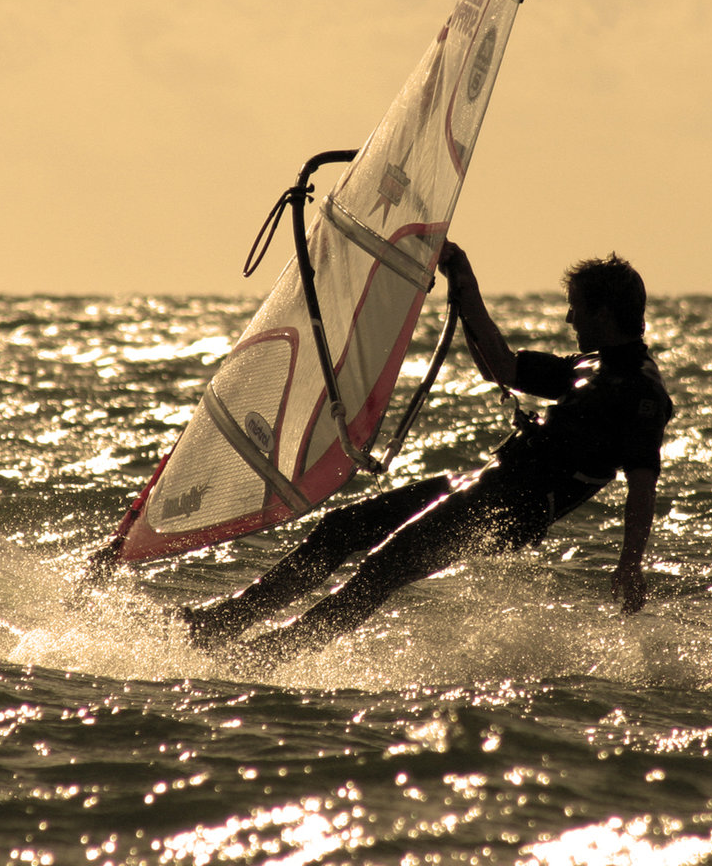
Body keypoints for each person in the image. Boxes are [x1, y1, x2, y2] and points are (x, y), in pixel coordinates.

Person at [179, 241, 673, 666]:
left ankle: (272, 655)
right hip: (484, 486)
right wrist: (464, 278)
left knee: (382, 568)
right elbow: (500, 365)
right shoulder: (590, 365)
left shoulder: (639, 393)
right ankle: (225, 622)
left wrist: (631, 563)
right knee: (342, 528)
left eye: (577, 309)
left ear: (604, 314)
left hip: (507, 513)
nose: (569, 318)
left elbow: (643, 483)